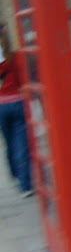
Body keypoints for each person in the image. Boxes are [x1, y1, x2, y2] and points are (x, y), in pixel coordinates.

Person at [0, 25, 33, 197]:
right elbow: (24, 79)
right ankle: (25, 185)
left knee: (9, 142)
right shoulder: (15, 56)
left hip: (0, 107)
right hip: (18, 103)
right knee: (21, 143)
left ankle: (14, 175)